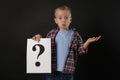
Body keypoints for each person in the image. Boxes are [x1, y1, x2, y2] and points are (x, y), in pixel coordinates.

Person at [32, 5, 101, 80]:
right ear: (56, 20)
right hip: (52, 72)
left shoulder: (75, 35)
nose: (63, 20)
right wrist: (39, 37)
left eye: (66, 17)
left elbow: (80, 51)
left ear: (70, 19)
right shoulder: (51, 33)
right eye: (60, 18)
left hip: (67, 73)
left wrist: (88, 42)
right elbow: (44, 48)